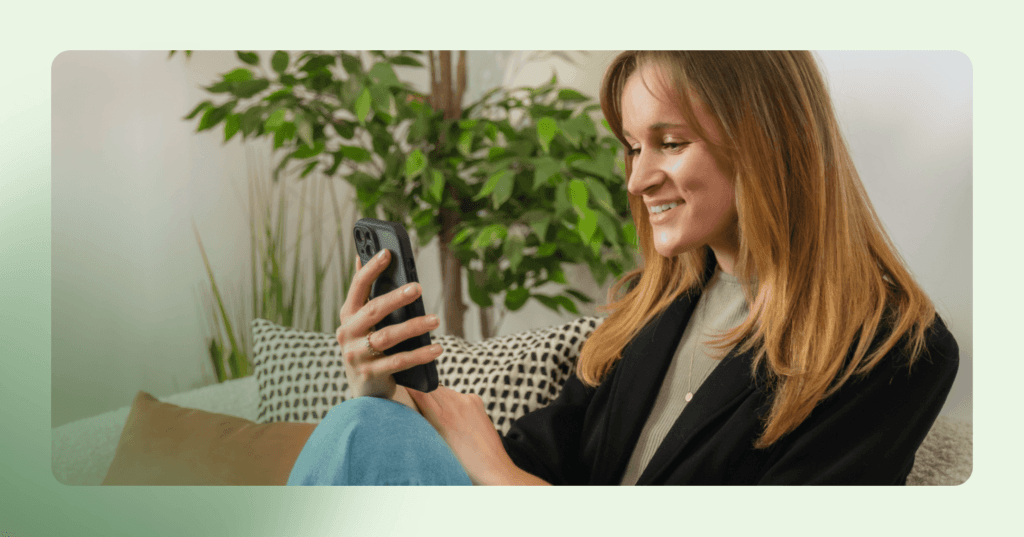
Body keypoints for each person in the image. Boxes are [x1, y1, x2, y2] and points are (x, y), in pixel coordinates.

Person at [286, 51, 959, 486]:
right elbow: (540, 460)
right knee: (363, 423)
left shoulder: (897, 352)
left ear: (765, 137)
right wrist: (382, 390)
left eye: (669, 142)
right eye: (633, 147)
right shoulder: (651, 308)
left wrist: (496, 472)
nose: (637, 178)